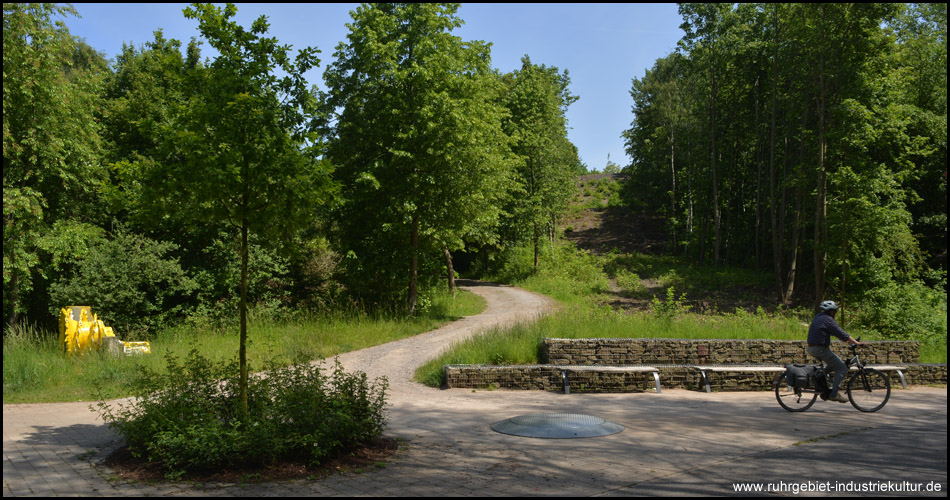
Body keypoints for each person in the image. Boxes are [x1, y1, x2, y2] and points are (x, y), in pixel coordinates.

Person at [807, 300, 865, 403]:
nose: (835, 313)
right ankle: (834, 394)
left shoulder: (819, 317)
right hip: (820, 349)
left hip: (813, 348)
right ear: (831, 311)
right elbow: (841, 333)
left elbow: (836, 334)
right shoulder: (828, 319)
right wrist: (857, 343)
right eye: (834, 311)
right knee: (842, 368)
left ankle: (820, 376)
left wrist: (848, 341)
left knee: (836, 363)